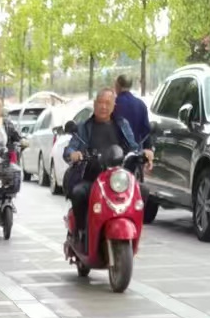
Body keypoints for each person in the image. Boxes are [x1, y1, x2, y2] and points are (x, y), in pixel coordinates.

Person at [63, 86, 153, 253]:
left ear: (114, 106)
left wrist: (144, 153)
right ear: (95, 104)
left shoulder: (122, 125)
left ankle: (134, 228)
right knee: (78, 193)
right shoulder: (85, 127)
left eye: (108, 103)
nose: (104, 107)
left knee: (144, 191)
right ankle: (82, 232)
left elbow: (134, 147)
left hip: (118, 180)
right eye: (101, 103)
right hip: (92, 178)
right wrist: (73, 154)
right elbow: (70, 149)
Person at [114, 72, 151, 148]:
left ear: (118, 86)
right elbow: (146, 131)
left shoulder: (114, 104)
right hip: (136, 150)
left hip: (117, 150)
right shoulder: (141, 104)